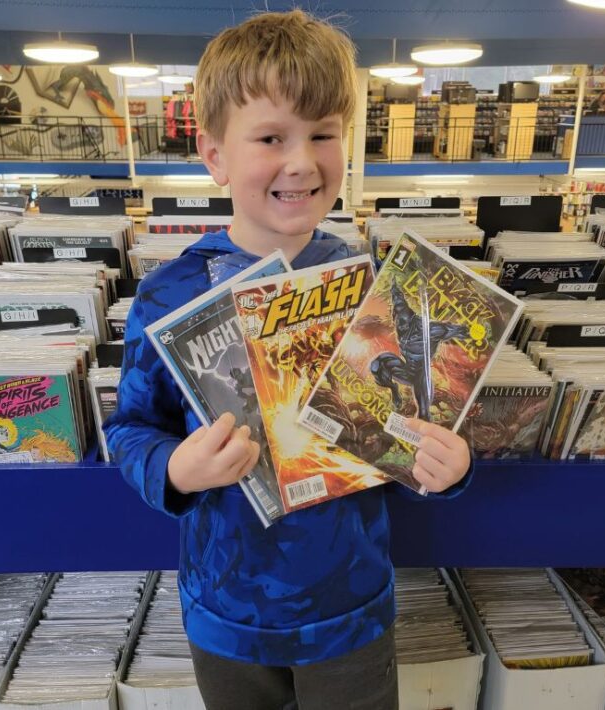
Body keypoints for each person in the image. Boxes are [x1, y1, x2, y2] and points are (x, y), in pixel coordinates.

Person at [104, 10, 472, 710]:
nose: (301, 161)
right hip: (226, 613)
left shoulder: (374, 285)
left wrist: (449, 467)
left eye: (323, 135)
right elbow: (127, 427)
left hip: (351, 608)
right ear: (214, 155)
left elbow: (416, 423)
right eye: (271, 137)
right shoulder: (169, 292)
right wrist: (175, 470)